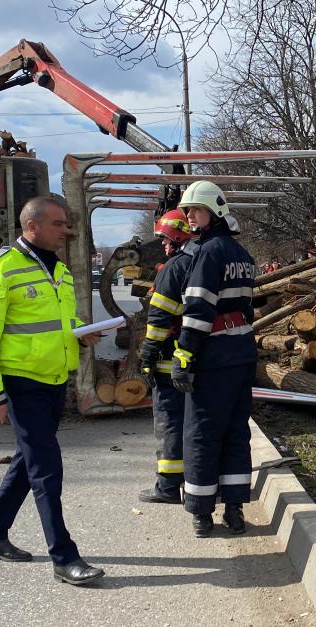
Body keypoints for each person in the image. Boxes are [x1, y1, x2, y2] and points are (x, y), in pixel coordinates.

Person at [0, 195, 105, 586]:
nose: (67, 231)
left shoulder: (57, 268)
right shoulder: (0, 269)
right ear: (32, 227)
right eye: (59, 224)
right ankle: (64, 556)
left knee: (27, 462)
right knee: (46, 466)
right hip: (21, 382)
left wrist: (80, 334)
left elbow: (57, 321)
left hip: (54, 379)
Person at [171, 181, 258, 537]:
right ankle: (235, 509)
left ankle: (202, 511)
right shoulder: (242, 254)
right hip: (241, 353)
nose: (189, 215)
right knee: (236, 432)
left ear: (214, 211)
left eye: (195, 209)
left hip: (213, 356)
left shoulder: (208, 253)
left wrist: (184, 355)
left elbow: (197, 311)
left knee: (202, 434)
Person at [137, 209, 197, 505]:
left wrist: (147, 354)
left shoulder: (174, 268)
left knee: (169, 421)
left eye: (164, 239)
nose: (162, 245)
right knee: (196, 422)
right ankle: (198, 482)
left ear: (176, 237)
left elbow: (160, 317)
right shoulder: (205, 262)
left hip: (169, 359)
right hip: (199, 358)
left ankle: (168, 486)